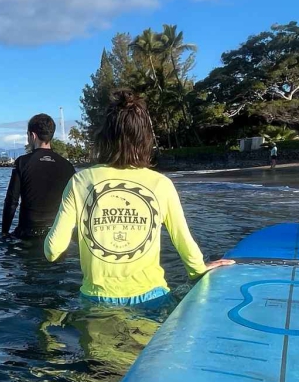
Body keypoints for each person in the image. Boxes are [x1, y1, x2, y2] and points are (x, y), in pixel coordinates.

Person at [44, 90, 231, 305]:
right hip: (152, 300)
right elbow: (184, 242)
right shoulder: (161, 184)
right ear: (145, 139)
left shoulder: (80, 181)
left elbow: (52, 251)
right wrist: (199, 269)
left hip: (96, 302)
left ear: (104, 137)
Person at [1, 113, 76, 239]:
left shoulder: (22, 162)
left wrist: (4, 233)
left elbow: (11, 202)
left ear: (33, 135)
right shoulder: (68, 166)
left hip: (28, 233)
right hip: (58, 235)